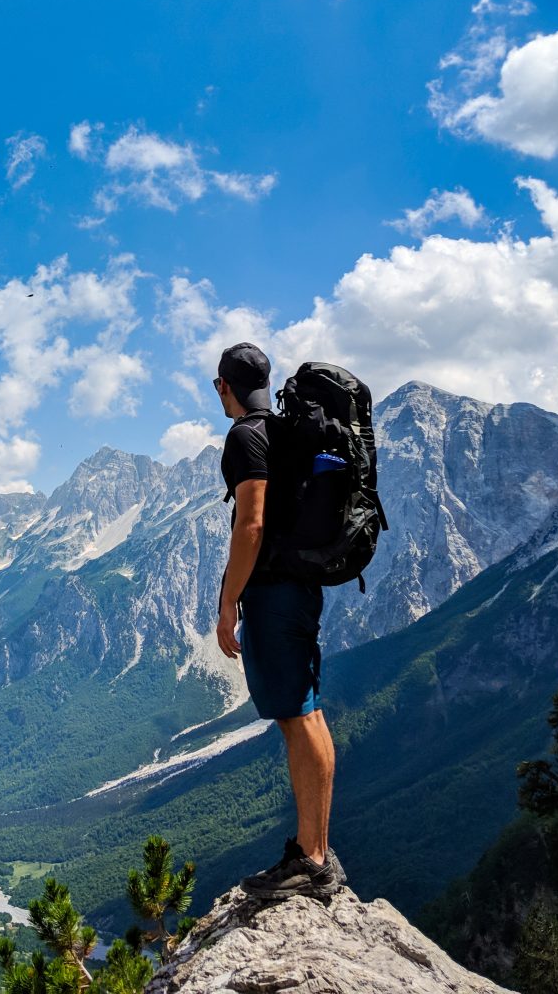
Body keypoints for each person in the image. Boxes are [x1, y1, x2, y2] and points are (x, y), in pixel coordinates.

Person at [213, 341, 346, 900]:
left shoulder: (246, 436)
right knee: (307, 712)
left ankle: (312, 860)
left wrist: (227, 602)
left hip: (272, 594)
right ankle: (314, 848)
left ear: (226, 386)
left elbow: (251, 524)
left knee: (298, 717)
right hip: (303, 587)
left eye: (218, 385)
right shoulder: (287, 432)